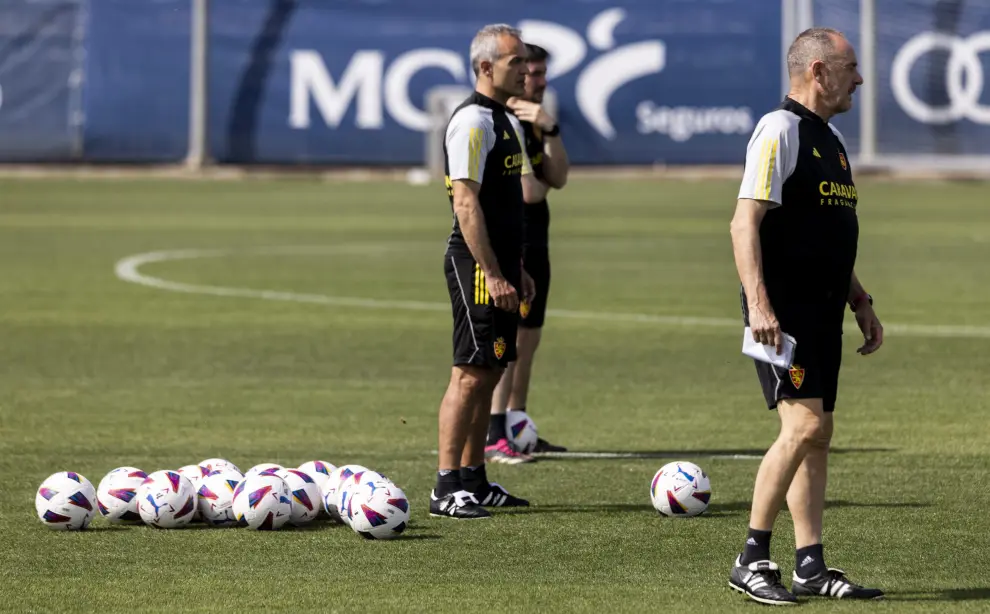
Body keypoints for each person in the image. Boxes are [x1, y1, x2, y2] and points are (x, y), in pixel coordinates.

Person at [727, 27, 886, 604]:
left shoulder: (832, 141)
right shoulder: (780, 130)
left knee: (819, 436)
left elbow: (825, 235)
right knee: (803, 428)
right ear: (817, 72)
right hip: (783, 310)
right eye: (850, 68)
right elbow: (744, 223)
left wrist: (859, 300)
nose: (859, 79)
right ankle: (751, 557)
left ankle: (810, 565)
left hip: (823, 309)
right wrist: (761, 304)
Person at [431, 24, 544, 519]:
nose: (524, 70)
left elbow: (509, 207)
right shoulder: (473, 122)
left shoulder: (506, 121)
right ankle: (444, 486)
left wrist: (517, 268)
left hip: (502, 266)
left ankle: (474, 480)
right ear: (484, 68)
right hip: (477, 264)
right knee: (470, 375)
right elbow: (467, 203)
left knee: (492, 367)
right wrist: (494, 273)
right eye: (514, 62)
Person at [486, 43, 571, 464]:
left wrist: (551, 130)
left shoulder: (533, 120)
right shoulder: (506, 121)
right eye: (529, 71)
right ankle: (495, 430)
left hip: (537, 237)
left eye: (539, 72)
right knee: (511, 341)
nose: (535, 79)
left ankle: (517, 426)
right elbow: (531, 191)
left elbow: (559, 176)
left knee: (529, 338)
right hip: (515, 239)